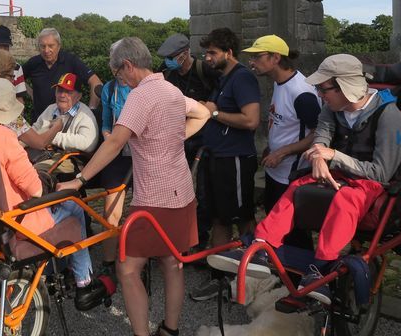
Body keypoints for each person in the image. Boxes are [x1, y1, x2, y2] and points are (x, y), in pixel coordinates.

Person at [209, 54, 401, 305]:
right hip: (335, 172)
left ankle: (322, 266)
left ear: (344, 88)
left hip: (369, 180)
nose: (319, 94)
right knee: (296, 188)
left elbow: (381, 172)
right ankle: (261, 248)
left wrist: (332, 156)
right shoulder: (331, 108)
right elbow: (321, 138)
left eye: (323, 89)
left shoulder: (388, 117)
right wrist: (318, 157)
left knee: (346, 199)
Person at [57, 37, 210, 336]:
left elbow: (114, 142)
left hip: (156, 195)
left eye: (117, 73)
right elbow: (203, 113)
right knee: (171, 261)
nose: (119, 79)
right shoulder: (171, 89)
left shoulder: (140, 96)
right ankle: (170, 329)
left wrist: (79, 180)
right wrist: (177, 137)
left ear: (127, 65)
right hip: (181, 190)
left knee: (127, 268)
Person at [0, 78, 107, 310]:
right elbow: (35, 189)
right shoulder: (3, 137)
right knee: (73, 206)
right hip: (13, 224)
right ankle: (84, 282)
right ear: (4, 109)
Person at [190, 28, 261, 302]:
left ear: (228, 53)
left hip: (235, 159)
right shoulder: (223, 78)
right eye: (206, 52)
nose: (207, 58)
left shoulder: (242, 78)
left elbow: (251, 120)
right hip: (217, 157)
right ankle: (220, 277)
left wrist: (214, 112)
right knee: (219, 217)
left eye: (212, 53)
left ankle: (253, 274)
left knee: (242, 217)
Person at [244, 35, 320, 244]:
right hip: (275, 170)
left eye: (256, 57)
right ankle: (283, 271)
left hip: (291, 175)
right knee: (275, 225)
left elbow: (317, 134)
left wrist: (282, 152)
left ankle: (304, 275)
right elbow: (285, 122)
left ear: (276, 58)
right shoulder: (280, 82)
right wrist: (272, 147)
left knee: (294, 232)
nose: (252, 62)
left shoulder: (301, 92)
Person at [157, 33, 219, 251]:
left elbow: (220, 95)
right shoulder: (168, 76)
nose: (169, 61)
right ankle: (178, 235)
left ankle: (200, 239)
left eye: (172, 57)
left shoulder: (205, 71)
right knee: (177, 189)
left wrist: (210, 104)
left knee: (203, 190)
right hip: (179, 139)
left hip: (204, 140)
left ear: (184, 54)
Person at [90, 47, 133, 280]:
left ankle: (145, 256)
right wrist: (108, 136)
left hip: (141, 153)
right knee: (111, 209)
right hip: (117, 153)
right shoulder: (109, 88)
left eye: (115, 64)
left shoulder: (142, 86)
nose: (111, 68)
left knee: (146, 210)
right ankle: (109, 262)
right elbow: (106, 122)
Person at [0, 48, 63, 149]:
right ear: (0, 77)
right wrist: (57, 127)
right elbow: (39, 143)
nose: (13, 80)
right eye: (11, 76)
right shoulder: (10, 113)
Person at [22, 28, 102, 122]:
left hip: (66, 122)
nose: (46, 50)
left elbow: (96, 82)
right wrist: (31, 93)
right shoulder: (34, 63)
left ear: (59, 46)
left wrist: (91, 110)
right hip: (39, 121)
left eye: (51, 46)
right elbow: (17, 78)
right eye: (42, 46)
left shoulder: (71, 61)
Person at [32, 72, 99, 174]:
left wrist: (50, 137)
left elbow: (89, 144)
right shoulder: (51, 108)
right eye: (59, 90)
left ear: (79, 96)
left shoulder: (85, 114)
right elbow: (35, 129)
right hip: (46, 155)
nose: (62, 95)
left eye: (68, 92)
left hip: (72, 161)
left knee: (33, 172)